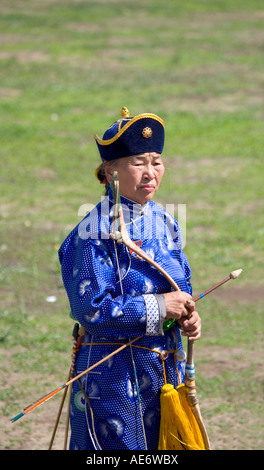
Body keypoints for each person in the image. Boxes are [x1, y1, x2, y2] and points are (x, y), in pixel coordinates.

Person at [58, 107, 202, 450]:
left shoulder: (165, 221)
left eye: (156, 161)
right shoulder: (93, 232)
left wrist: (187, 313)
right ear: (110, 172)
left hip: (164, 373)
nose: (150, 173)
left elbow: (182, 284)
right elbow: (91, 311)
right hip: (113, 379)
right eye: (139, 162)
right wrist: (159, 306)